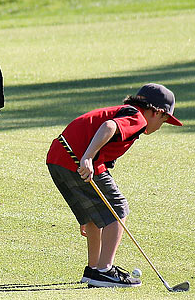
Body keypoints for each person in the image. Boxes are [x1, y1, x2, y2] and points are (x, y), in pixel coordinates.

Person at [47, 84, 182, 287]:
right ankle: (105, 270)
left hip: (58, 156)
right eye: (163, 120)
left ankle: (93, 270)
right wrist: (88, 158)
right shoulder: (137, 118)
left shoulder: (127, 112)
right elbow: (109, 127)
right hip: (77, 157)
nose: (160, 126)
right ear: (157, 112)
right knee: (118, 208)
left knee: (96, 215)